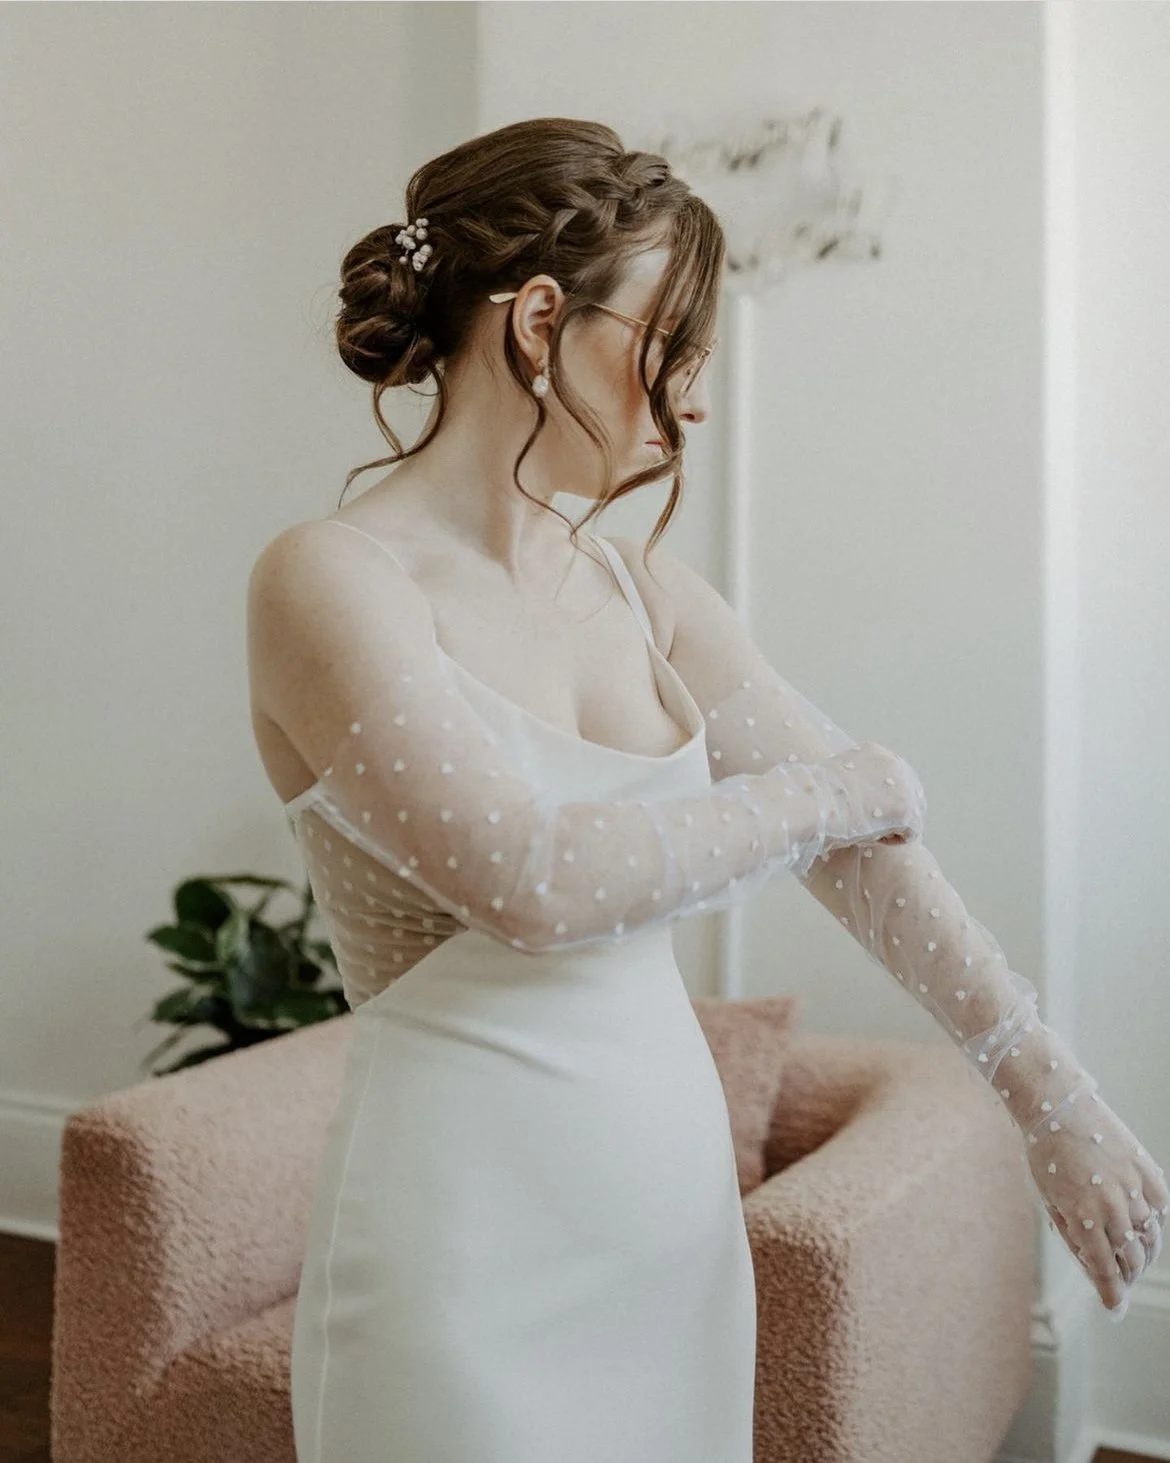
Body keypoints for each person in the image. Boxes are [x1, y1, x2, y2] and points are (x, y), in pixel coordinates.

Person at [246, 118, 1166, 1463]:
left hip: (670, 1230)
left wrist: (1051, 1096)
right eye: (666, 346)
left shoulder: (648, 592)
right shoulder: (329, 578)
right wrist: (827, 789)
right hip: (459, 1241)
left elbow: (873, 860)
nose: (690, 397)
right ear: (541, 319)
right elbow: (538, 885)